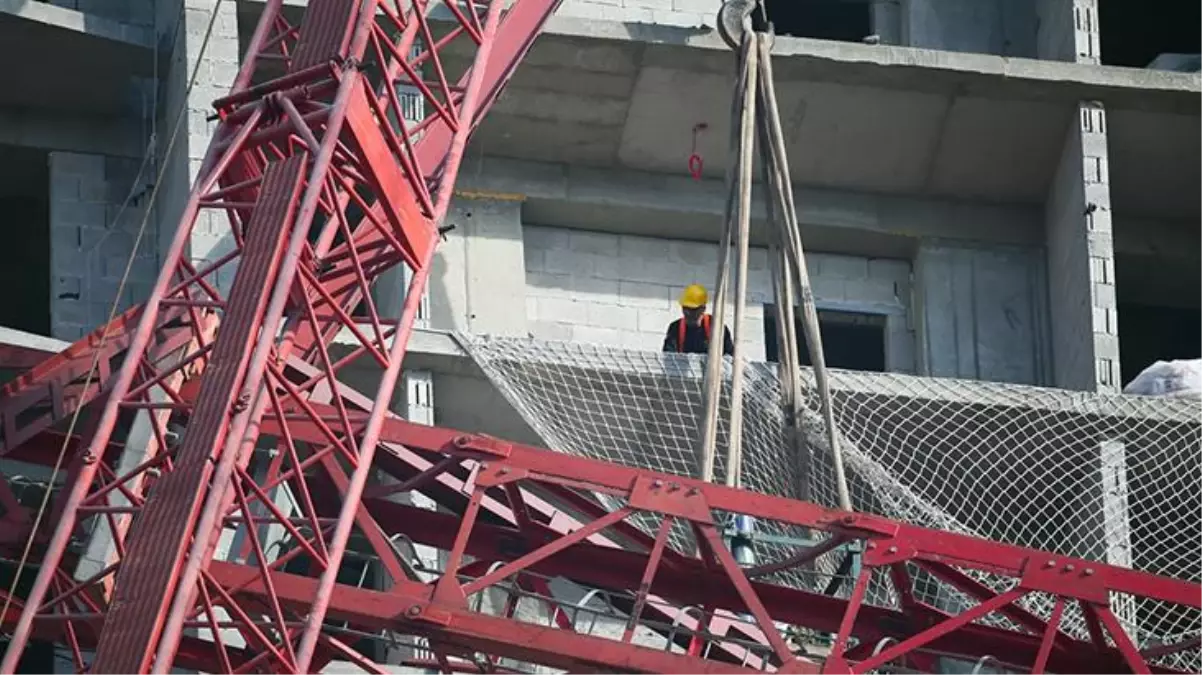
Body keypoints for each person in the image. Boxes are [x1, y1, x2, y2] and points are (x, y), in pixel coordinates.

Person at [662, 284, 735, 356]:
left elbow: (730, 357)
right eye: (685, 308)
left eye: (693, 309)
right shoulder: (675, 328)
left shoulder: (717, 327)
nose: (688, 313)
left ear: (703, 309)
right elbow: (668, 357)